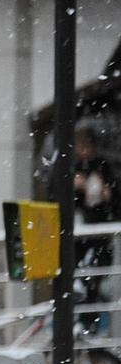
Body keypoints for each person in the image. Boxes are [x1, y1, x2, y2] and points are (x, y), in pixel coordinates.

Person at [73, 127, 117, 331]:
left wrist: (105, 192)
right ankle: (83, 321)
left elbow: (112, 197)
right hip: (79, 234)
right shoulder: (72, 168)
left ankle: (90, 323)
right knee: (81, 279)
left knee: (95, 278)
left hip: (98, 232)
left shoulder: (102, 167)